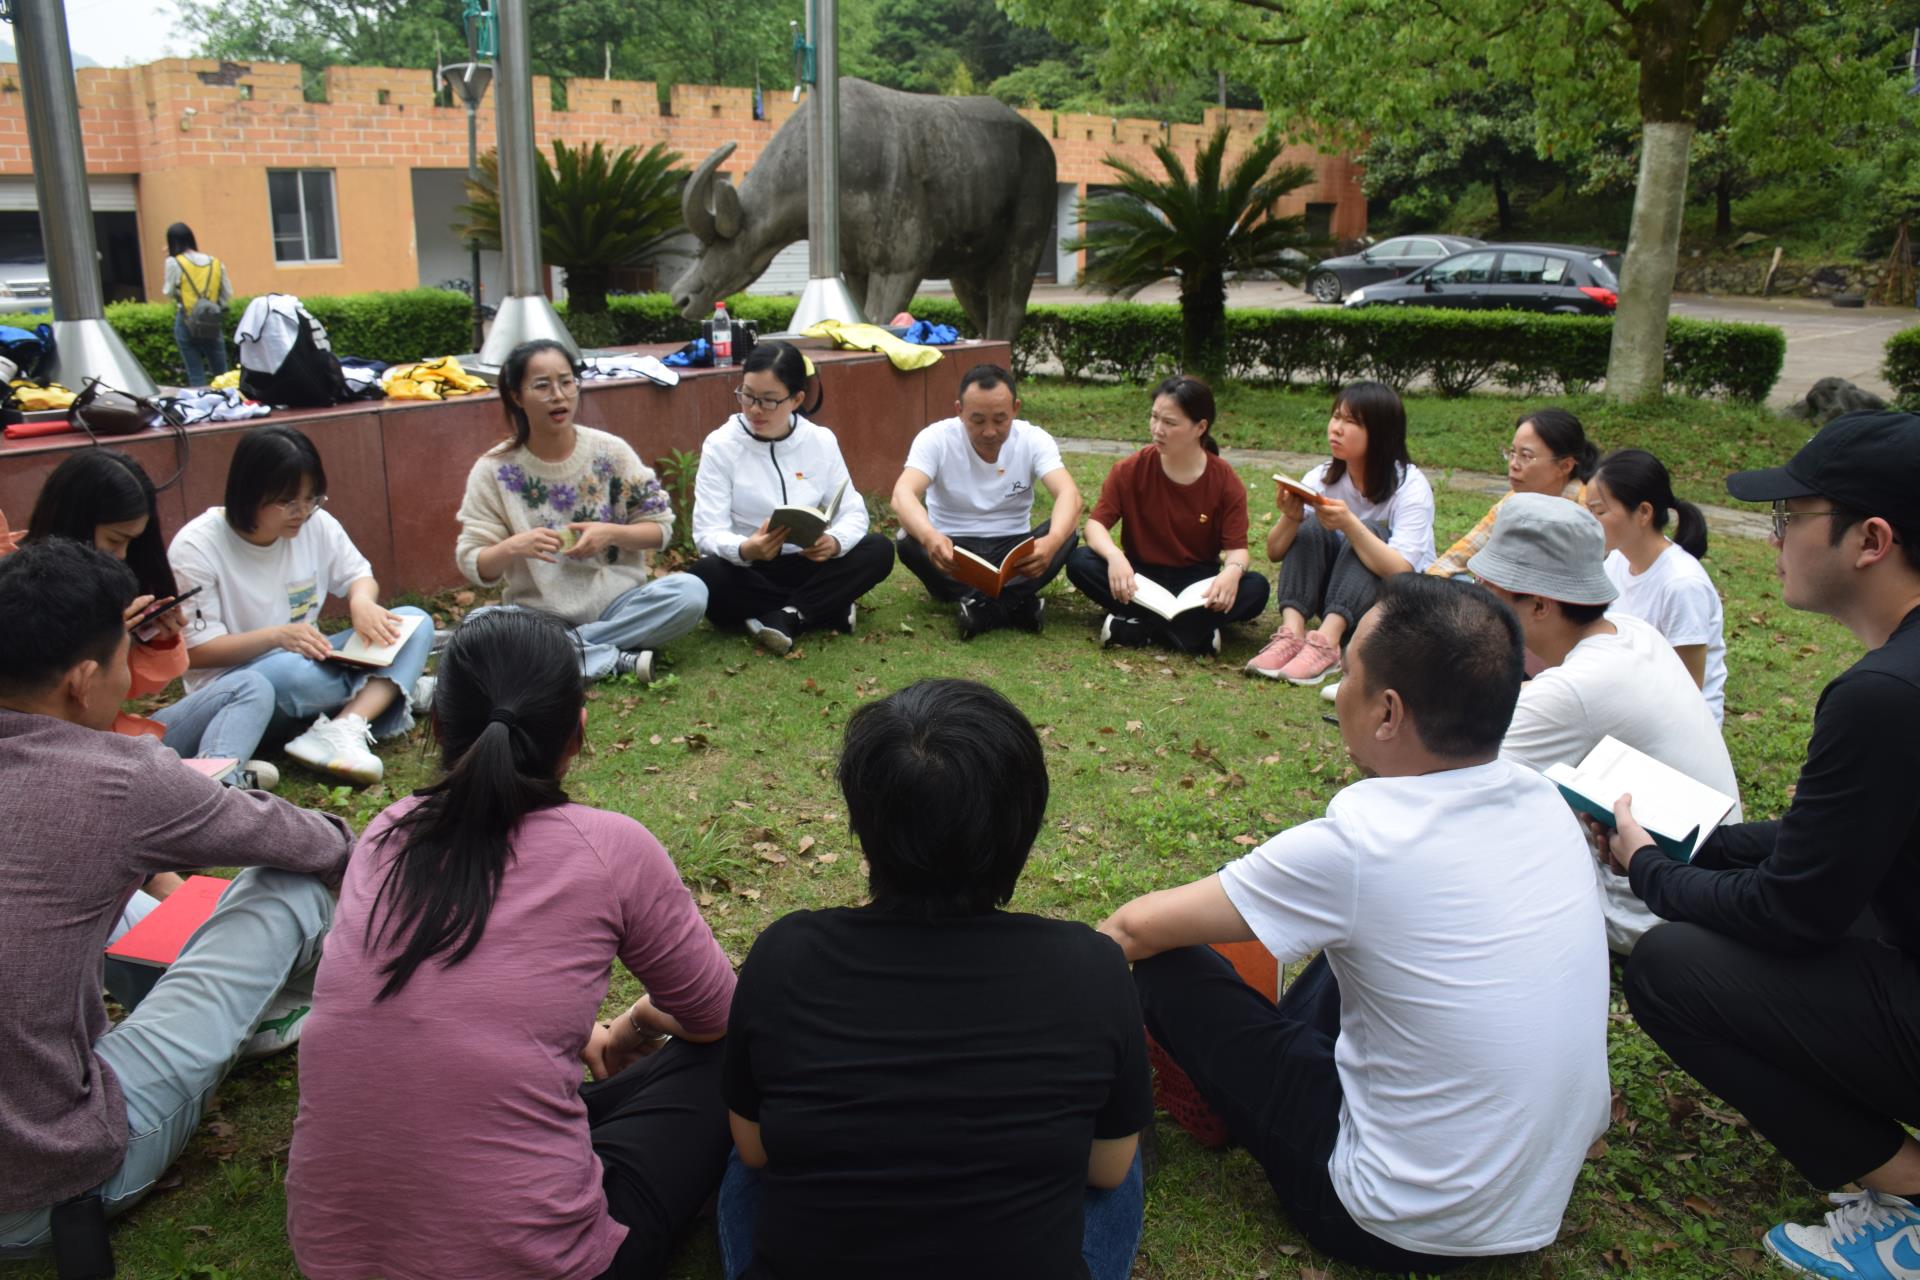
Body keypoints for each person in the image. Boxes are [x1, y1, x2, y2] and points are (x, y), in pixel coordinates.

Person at [1098, 574, 1609, 1271]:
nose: (1338, 691)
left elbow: (1131, 931)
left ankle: (1216, 1099)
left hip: (1384, 1218)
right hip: (1534, 1199)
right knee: (1373, 940)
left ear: (1388, 712)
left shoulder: (1366, 840)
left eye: (1347, 675)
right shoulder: (1547, 799)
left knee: (1164, 966)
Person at [288, 608, 736, 1280]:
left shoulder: (385, 834)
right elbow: (720, 1017)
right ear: (578, 729)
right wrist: (635, 1023)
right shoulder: (612, 849)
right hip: (544, 1262)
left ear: (439, 728)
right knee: (731, 1061)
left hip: (336, 1258)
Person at [1599, 412, 1920, 1280]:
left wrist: (1648, 867)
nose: (1775, 539)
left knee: (1669, 967)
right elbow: (1846, 842)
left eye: (1791, 518)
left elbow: (1792, 910)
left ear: (1871, 540)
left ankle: (1912, 1193)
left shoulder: (1884, 697)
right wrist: (1700, 844)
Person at [718, 679, 1151, 1280]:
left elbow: (754, 1147)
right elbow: (1106, 1169)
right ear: (1024, 824)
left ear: (863, 821)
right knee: (1118, 1157)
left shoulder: (784, 955)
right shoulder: (1093, 967)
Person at [0, 538, 348, 1260]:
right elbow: (316, 845)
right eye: (124, 658)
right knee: (287, 887)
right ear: (84, 680)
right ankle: (303, 1017)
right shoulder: (117, 778)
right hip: (45, 1184)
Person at [1468, 492, 1740, 953]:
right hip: (1708, 877)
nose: (1479, 603)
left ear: (1539, 605)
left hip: (1646, 909)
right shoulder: (1635, 633)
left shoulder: (1573, 691)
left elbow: (1451, 782)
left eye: (1488, 590)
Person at [168, 424, 433, 785]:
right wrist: (277, 636)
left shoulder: (315, 523)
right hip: (243, 686)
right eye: (288, 501)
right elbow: (196, 652)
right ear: (249, 491)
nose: (303, 512)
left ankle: (343, 726)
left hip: (313, 660)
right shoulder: (197, 546)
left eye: (312, 499)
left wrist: (361, 602)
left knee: (413, 621)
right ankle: (393, 687)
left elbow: (359, 575)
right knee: (291, 672)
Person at [454, 339, 707, 685]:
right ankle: (611, 658)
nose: (558, 395)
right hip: (539, 615)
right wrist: (513, 546)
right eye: (542, 386)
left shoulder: (611, 452)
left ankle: (563, 653)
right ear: (516, 396)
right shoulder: (493, 470)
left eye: (566, 382)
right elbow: (474, 561)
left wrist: (610, 534)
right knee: (479, 626)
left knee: (691, 593)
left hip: (620, 605)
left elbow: (660, 529)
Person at [25, 449, 277, 789]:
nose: (121, 555)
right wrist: (102, 636)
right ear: (74, 519)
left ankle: (213, 778)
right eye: (115, 540)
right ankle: (215, 780)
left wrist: (155, 641)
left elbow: (128, 688)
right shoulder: (20, 583)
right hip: (63, 750)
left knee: (250, 686)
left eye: (132, 542)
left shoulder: (109, 578)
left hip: (121, 738)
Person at [686, 341, 896, 654]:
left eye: (769, 400)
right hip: (750, 570)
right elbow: (706, 532)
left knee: (879, 550)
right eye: (747, 395)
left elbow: (853, 511)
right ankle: (823, 606)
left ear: (797, 399)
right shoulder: (721, 445)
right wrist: (745, 549)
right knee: (705, 576)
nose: (755, 409)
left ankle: (786, 615)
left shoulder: (819, 440)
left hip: (807, 562)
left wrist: (834, 542)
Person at [1065, 374, 1269, 654]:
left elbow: (1237, 550)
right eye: (1154, 417)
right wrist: (1114, 557)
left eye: (1170, 423)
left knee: (1256, 587)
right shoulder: (1130, 469)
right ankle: (1192, 633)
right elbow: (1096, 526)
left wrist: (1232, 573)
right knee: (1080, 560)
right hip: (1139, 579)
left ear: (1200, 427)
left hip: (1198, 585)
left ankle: (1137, 627)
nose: (1157, 429)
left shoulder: (1224, 480)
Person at [1246, 381, 1434, 685]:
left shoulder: (1410, 486)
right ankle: (1292, 634)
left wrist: (1350, 525)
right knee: (1311, 525)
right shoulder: (1322, 477)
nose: (1336, 428)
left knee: (1369, 531)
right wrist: (1291, 518)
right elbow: (1274, 552)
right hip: (1335, 597)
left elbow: (1401, 571)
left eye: (1350, 421)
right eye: (1335, 417)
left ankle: (1327, 643)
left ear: (1381, 432)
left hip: (1390, 605)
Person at [891, 363, 1083, 639]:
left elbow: (1069, 494)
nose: (990, 432)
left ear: (1015, 409)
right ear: (959, 410)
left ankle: (978, 606)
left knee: (1066, 532)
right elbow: (903, 494)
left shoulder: (1033, 439)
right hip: (953, 549)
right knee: (909, 539)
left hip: (1014, 550)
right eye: (978, 420)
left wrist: (1052, 542)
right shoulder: (936, 438)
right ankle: (1016, 604)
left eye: (1000, 420)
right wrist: (930, 537)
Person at [1587, 448, 1728, 723]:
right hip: (1626, 703)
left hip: (1675, 724)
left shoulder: (1682, 585)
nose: (1589, 522)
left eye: (1599, 511)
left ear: (1643, 512)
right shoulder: (1616, 560)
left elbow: (1687, 689)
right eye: (1588, 510)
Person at [1426, 406, 1599, 578]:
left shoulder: (1589, 511)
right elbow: (1467, 549)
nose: (1513, 464)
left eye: (1526, 456)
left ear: (1565, 466)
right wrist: (1427, 581)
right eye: (1512, 453)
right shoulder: (1514, 500)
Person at [162, 222, 232, 388]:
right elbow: (227, 293)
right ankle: (227, 400)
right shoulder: (215, 262)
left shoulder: (174, 262)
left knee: (195, 373)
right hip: (211, 319)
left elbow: (168, 291)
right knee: (222, 374)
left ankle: (201, 401)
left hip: (187, 319)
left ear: (172, 242)